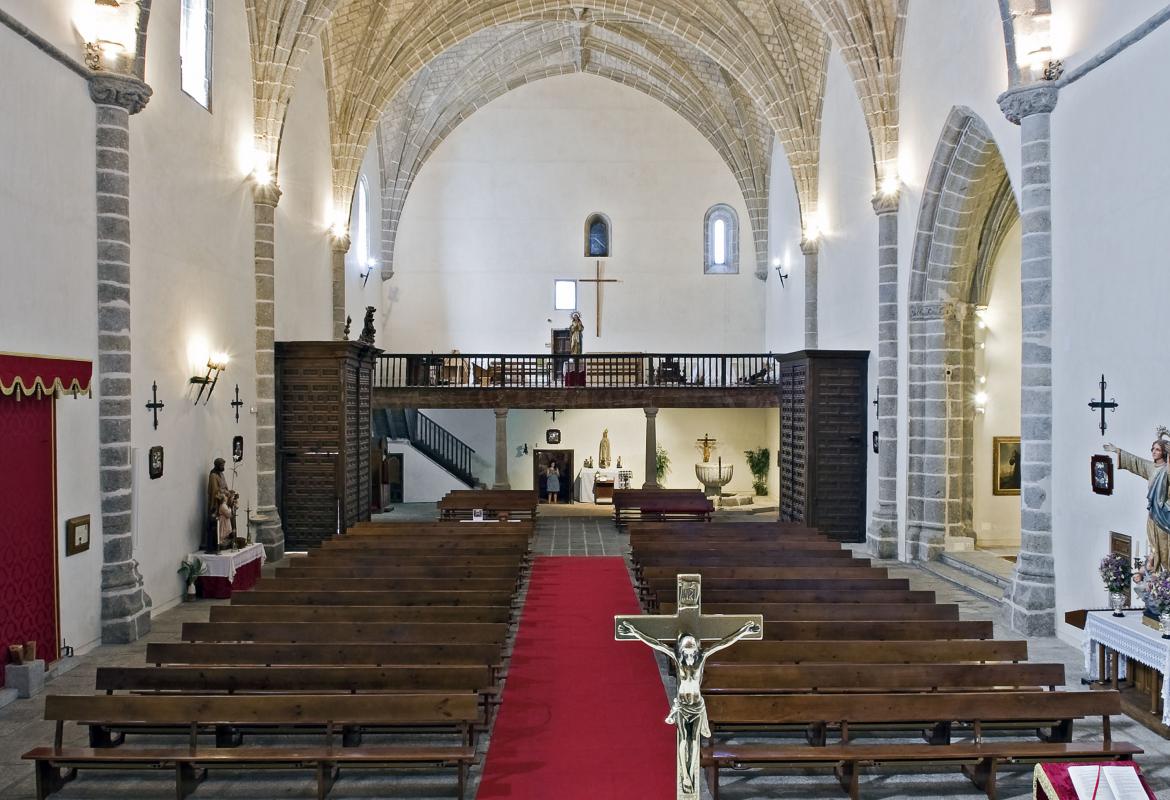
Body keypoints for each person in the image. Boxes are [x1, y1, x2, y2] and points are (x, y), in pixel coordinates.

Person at [617, 619, 761, 796]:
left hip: (697, 706)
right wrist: (633, 631)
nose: (691, 649)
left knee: (693, 742)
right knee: (685, 741)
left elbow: (723, 643)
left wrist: (744, 631)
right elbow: (656, 643)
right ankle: (686, 776)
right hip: (684, 707)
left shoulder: (701, 658)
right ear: (682, 649)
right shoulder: (678, 660)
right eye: (687, 646)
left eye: (693, 645)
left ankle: (690, 779)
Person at [1104, 427, 1170, 575]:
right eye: (1152, 448)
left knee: (1165, 546)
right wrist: (1117, 451)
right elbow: (1136, 462)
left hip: (1166, 515)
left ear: (1164, 453)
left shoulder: (1166, 470)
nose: (1153, 451)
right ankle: (1157, 572)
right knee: (1154, 543)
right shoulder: (1151, 467)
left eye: (1157, 449)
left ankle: (1166, 572)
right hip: (1153, 514)